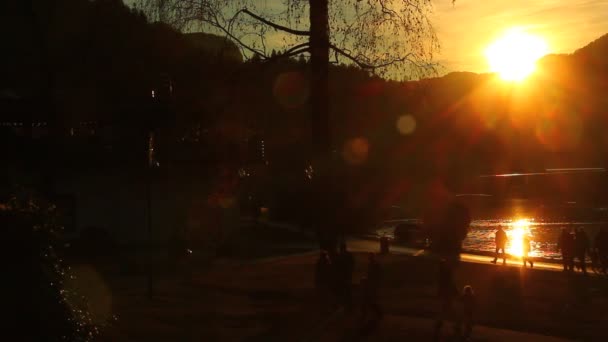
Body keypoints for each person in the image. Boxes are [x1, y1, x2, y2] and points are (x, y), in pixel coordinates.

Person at [361, 253, 383, 321]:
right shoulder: (373, 264)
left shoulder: (373, 265)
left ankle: (376, 313)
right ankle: (373, 312)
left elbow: (373, 275)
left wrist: (366, 279)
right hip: (371, 284)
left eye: (369, 258)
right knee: (369, 299)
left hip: (372, 284)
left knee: (369, 300)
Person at [335, 242, 355, 311]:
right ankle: (349, 304)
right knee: (347, 289)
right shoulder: (349, 255)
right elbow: (352, 264)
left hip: (342, 275)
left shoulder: (340, 256)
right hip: (347, 275)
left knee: (344, 289)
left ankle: (346, 304)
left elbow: (337, 266)